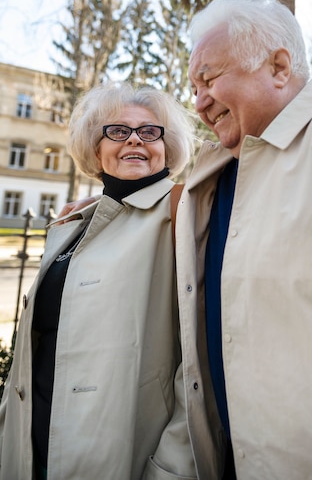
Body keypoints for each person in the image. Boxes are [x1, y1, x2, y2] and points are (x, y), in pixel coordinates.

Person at [48, 0, 312, 480]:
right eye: (192, 86)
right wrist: (96, 211)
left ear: (279, 67)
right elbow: (147, 196)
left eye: (208, 79)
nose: (198, 102)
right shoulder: (211, 178)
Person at [0, 82, 198, 480]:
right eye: (118, 131)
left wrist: (171, 468)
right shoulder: (72, 224)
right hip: (29, 447)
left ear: (167, 146)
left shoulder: (184, 214)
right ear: (96, 148)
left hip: (118, 456)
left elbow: (198, 366)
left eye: (149, 131)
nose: (135, 141)